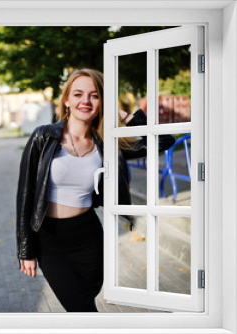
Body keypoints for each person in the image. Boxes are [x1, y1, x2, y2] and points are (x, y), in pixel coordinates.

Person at [16, 69, 175, 312]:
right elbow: (25, 195)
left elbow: (163, 141)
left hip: (89, 238)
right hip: (50, 242)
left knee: (86, 301)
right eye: (78, 94)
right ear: (67, 100)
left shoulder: (109, 144)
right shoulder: (43, 137)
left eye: (94, 95)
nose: (86, 101)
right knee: (81, 309)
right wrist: (25, 249)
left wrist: (121, 113)